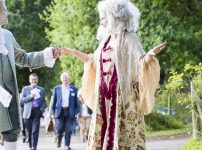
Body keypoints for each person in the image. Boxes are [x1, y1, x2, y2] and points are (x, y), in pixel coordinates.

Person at [57, 0, 166, 149]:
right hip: (103, 96)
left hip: (122, 97)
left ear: (115, 18)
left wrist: (149, 56)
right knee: (102, 136)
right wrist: (72, 52)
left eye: (104, 17)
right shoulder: (105, 41)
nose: (101, 22)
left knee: (122, 136)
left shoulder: (130, 38)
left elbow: (140, 62)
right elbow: (92, 60)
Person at [0, 0, 59, 150]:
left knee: (12, 132)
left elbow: (23, 58)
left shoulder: (7, 35)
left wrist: (47, 55)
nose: (7, 13)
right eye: (4, 11)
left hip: (9, 92)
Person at [51, 72, 81, 150]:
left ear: (68, 78)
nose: (65, 79)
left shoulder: (74, 89)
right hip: (59, 111)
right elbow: (53, 101)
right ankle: (59, 140)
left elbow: (76, 102)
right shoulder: (57, 88)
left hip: (70, 111)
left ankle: (67, 145)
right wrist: (52, 111)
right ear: (61, 79)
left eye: (66, 77)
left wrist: (78, 111)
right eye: (63, 77)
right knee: (60, 128)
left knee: (68, 129)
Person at [20, 73, 47, 150]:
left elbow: (44, 101)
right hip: (27, 112)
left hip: (37, 111)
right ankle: (30, 145)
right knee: (28, 130)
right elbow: (21, 100)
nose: (34, 81)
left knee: (35, 130)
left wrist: (42, 110)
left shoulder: (42, 89)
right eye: (32, 79)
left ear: (37, 80)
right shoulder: (25, 89)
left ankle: (34, 147)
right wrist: (30, 97)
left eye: (35, 79)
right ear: (29, 80)